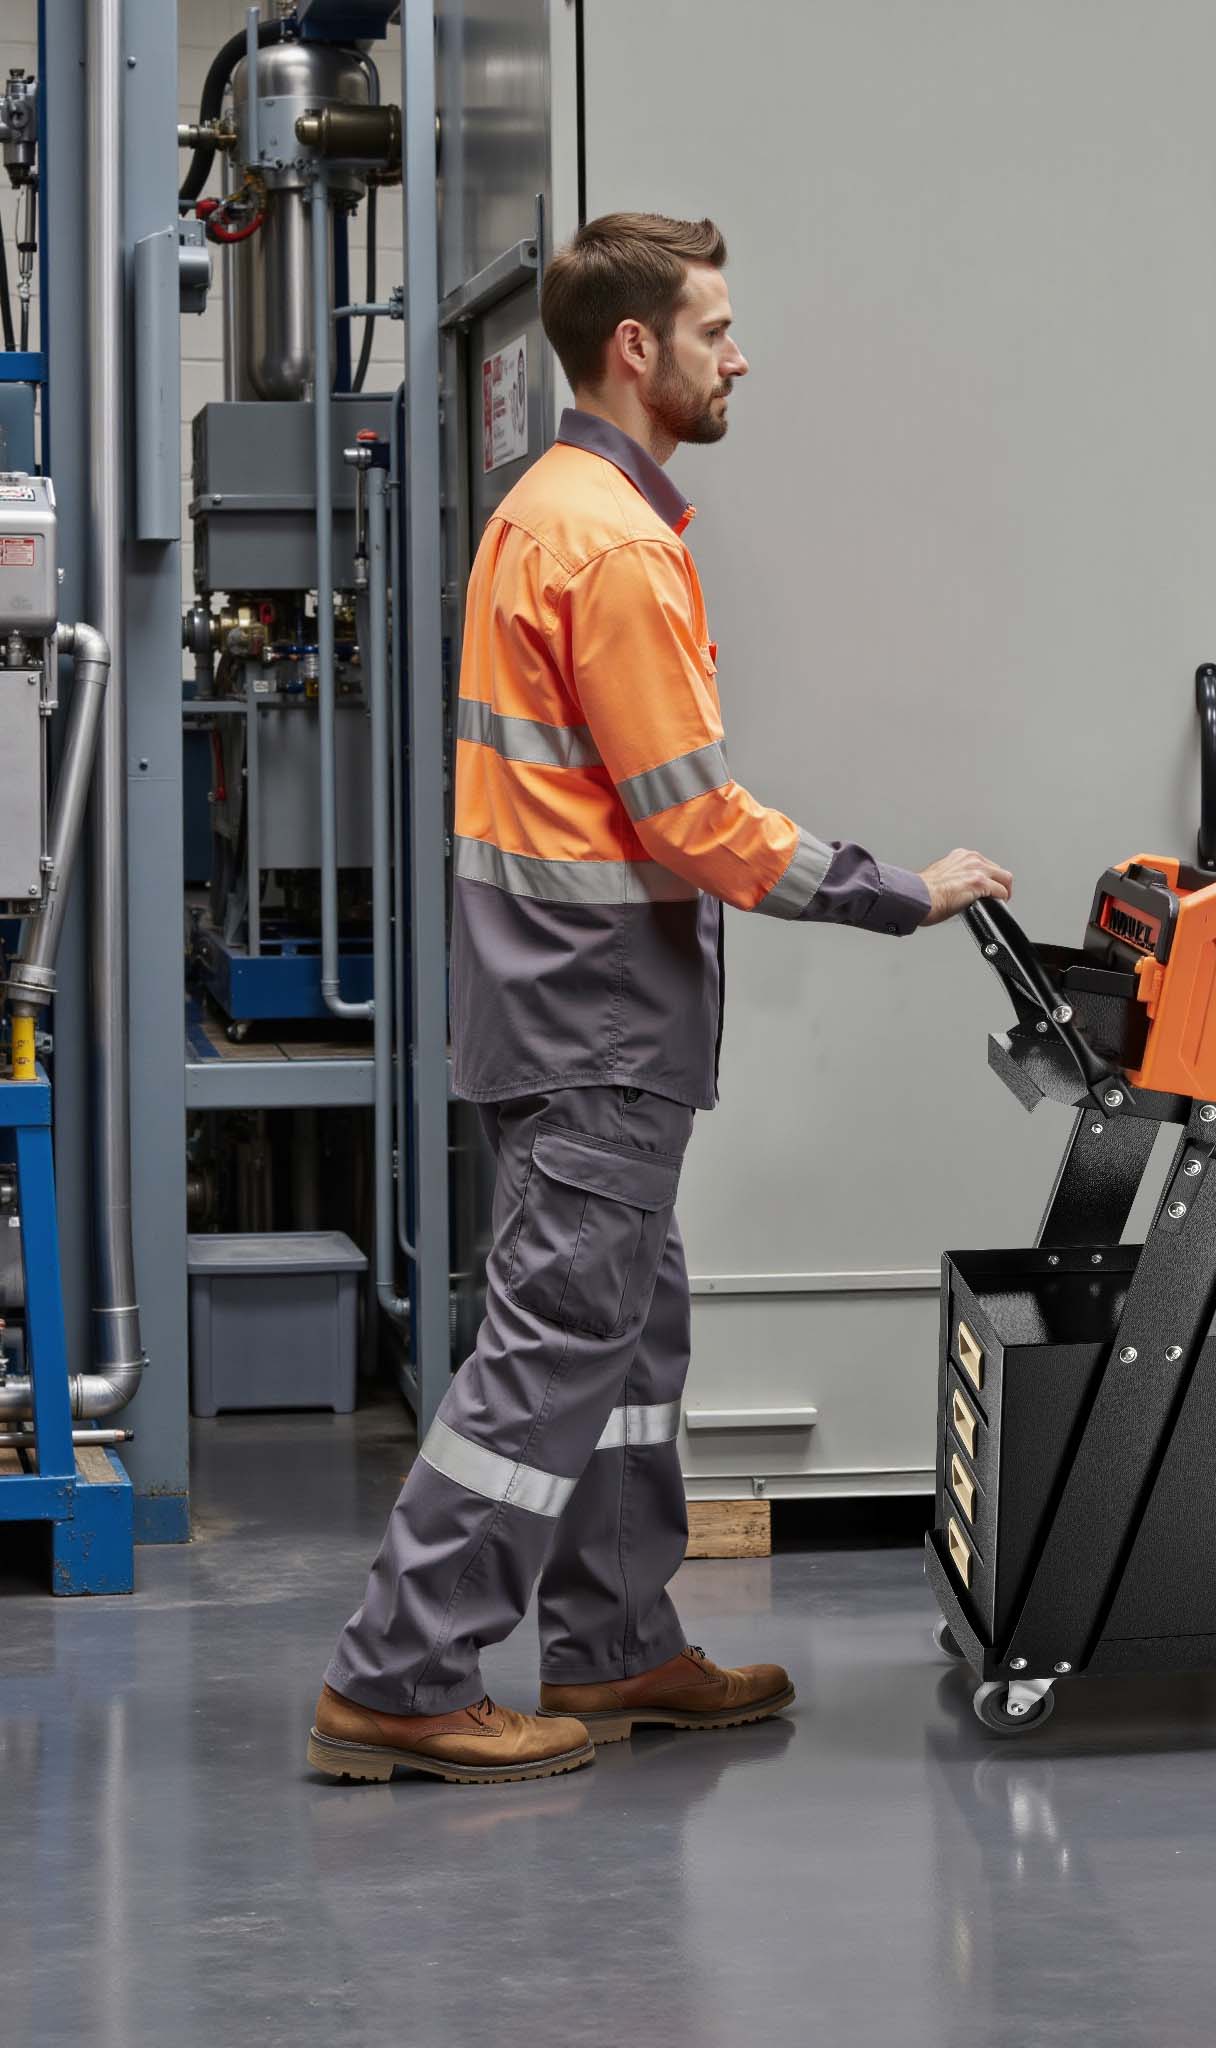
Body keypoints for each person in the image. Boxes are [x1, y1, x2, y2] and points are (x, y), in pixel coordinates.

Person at [308, 212, 1012, 1785]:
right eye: (716, 329)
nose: (738, 353)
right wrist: (897, 887)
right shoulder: (613, 545)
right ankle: (403, 1671)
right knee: (556, 1351)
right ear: (636, 349)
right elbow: (693, 816)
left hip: (555, 1014)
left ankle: (616, 1647)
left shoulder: (543, 509)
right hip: (596, 1024)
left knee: (626, 1346)